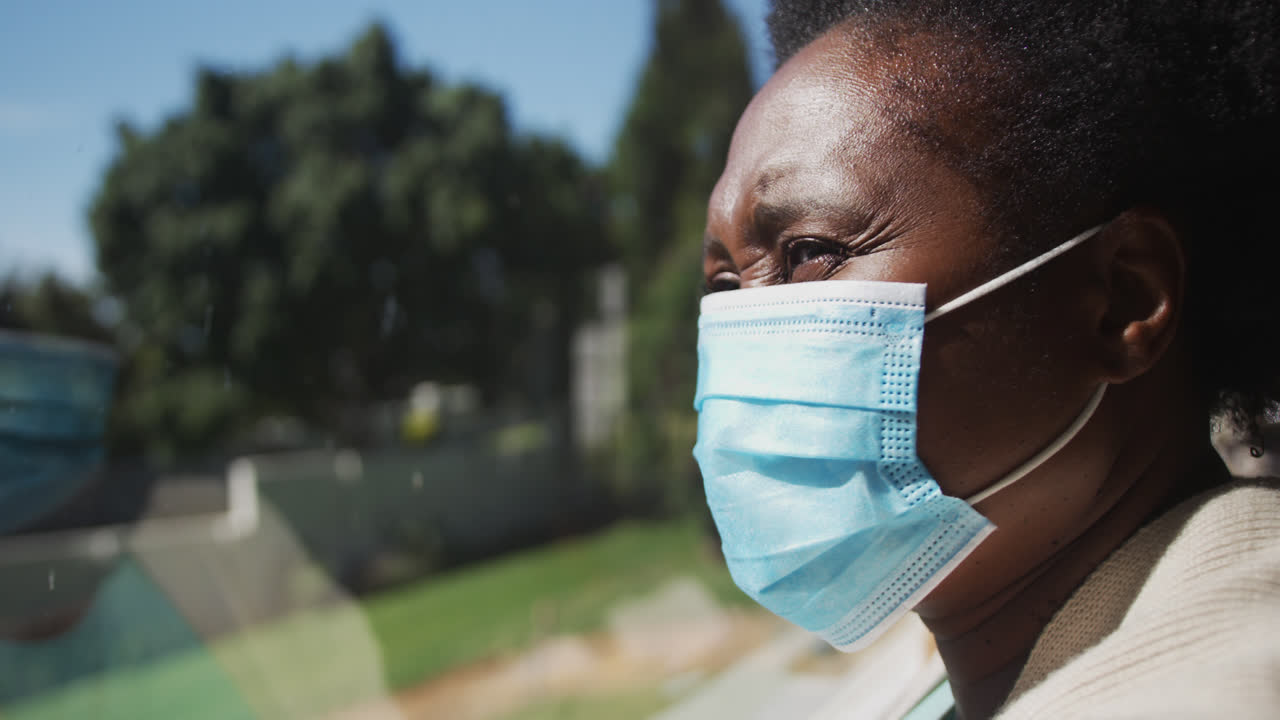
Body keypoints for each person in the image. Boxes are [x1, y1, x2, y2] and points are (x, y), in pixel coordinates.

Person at [692, 1, 1280, 718]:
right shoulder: (938, 686)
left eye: (809, 253)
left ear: (1122, 298)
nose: (743, 329)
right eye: (723, 285)